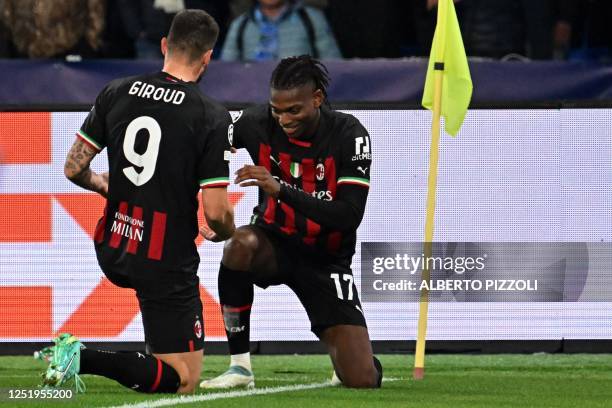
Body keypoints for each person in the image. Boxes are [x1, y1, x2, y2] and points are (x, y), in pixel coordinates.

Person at [41, 9, 235, 394]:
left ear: (164, 45)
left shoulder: (118, 90)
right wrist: (225, 231)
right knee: (184, 379)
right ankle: (79, 356)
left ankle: (137, 355)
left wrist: (101, 185)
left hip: (114, 242)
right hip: (163, 255)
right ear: (208, 57)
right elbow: (215, 212)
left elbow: (73, 167)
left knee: (162, 351)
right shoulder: (212, 116)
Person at [199, 55, 382, 389]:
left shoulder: (349, 134)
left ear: (317, 99)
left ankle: (353, 355)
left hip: (326, 258)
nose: (283, 119)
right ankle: (240, 367)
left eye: (293, 110)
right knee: (237, 244)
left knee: (362, 379)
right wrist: (213, 206)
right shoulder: (255, 122)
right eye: (276, 109)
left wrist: (280, 189)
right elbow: (208, 144)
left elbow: (348, 216)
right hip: (273, 242)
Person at [220, 0, 341, 61]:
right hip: (252, 102)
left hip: (302, 103)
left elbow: (334, 69)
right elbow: (226, 74)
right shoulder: (240, 25)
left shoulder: (311, 19)